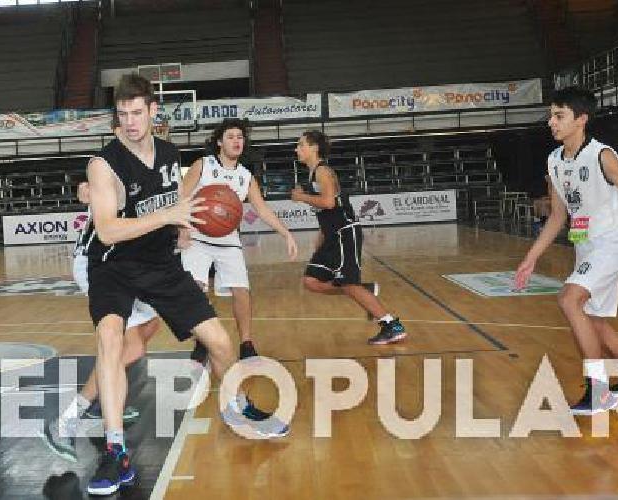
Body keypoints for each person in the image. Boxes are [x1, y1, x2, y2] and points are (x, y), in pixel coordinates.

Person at [82, 73, 288, 496]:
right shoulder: (103, 163)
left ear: (153, 111)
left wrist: (184, 228)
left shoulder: (170, 153)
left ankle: (234, 408)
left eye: (137, 113)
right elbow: (106, 230)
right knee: (111, 338)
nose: (130, 122)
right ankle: (115, 450)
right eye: (122, 114)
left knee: (221, 343)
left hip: (159, 263)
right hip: (113, 264)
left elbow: (172, 203)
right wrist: (167, 218)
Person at [513, 86, 618, 416]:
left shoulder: (602, 155)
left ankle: (600, 391)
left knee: (568, 299)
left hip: (614, 241)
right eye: (551, 115)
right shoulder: (553, 160)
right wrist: (531, 257)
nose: (551, 122)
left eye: (559, 116)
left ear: (581, 119)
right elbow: (558, 216)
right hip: (586, 245)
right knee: (595, 324)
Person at [40, 180, 158, 463]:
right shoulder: (115, 167)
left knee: (151, 325)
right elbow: (89, 186)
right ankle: (66, 420)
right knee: (130, 347)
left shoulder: (156, 168)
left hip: (128, 263)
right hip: (98, 263)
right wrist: (86, 189)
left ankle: (100, 402)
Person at [178, 118, 299, 363]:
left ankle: (246, 343)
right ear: (220, 142)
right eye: (231, 137)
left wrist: (286, 233)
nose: (237, 141)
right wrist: (181, 228)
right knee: (196, 291)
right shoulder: (203, 165)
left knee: (242, 291)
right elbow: (181, 196)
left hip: (227, 238)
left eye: (240, 137)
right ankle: (201, 341)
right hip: (197, 237)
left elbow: (262, 209)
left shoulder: (246, 176)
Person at [290, 130, 405, 345]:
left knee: (350, 284)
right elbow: (326, 212)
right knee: (311, 281)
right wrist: (321, 240)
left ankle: (392, 325)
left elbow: (329, 203)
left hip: (345, 233)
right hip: (332, 235)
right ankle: (365, 290)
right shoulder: (313, 173)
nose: (297, 149)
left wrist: (301, 197)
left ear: (314, 148)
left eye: (301, 144)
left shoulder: (323, 171)